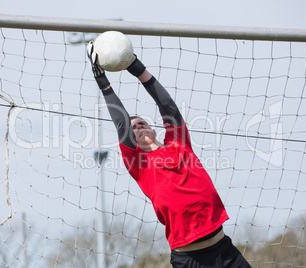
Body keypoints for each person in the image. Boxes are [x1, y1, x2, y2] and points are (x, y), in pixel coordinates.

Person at [87, 41, 251, 268]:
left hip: (225, 251)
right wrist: (103, 83)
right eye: (133, 128)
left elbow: (168, 107)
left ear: (154, 129)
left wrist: (138, 69)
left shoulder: (179, 143)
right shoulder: (139, 164)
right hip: (189, 259)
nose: (137, 128)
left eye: (141, 123)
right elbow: (122, 123)